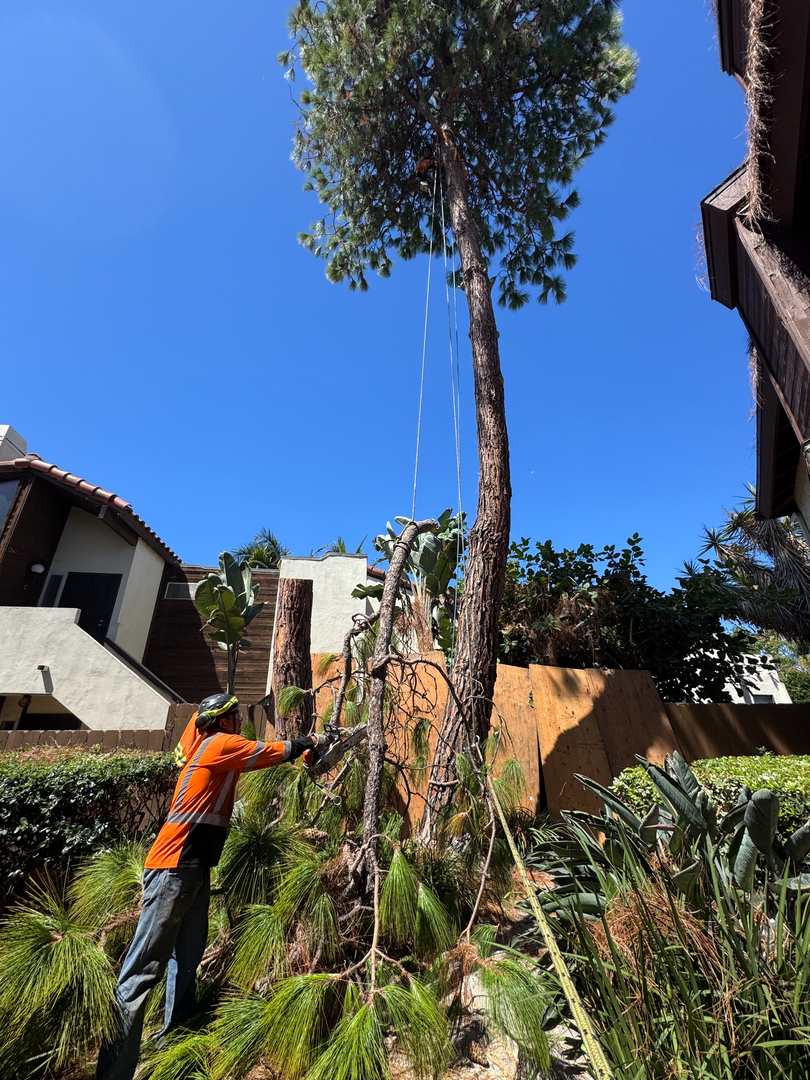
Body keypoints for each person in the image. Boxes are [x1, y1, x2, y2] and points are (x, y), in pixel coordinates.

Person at [95, 692, 327, 1080]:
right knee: (140, 974)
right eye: (236, 716)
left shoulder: (213, 752)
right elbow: (269, 751)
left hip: (193, 871)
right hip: (173, 870)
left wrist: (299, 755)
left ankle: (175, 1046)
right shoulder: (217, 744)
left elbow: (259, 759)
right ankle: (112, 1074)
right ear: (224, 721)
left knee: (185, 961)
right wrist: (309, 742)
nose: (240, 722)